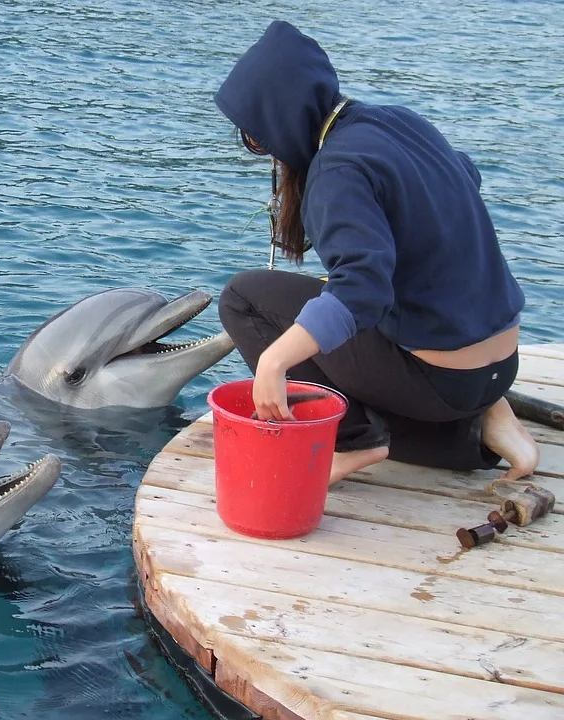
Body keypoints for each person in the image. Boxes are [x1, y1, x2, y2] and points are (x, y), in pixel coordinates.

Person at [212, 20, 540, 484]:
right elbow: (465, 177)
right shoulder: (399, 120)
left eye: (256, 137)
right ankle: (483, 424)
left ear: (282, 120)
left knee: (244, 298)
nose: (261, 150)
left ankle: (350, 442)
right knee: (327, 303)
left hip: (442, 381)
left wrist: (274, 360)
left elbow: (362, 289)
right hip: (499, 367)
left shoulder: (337, 170)